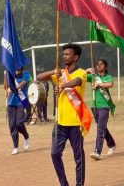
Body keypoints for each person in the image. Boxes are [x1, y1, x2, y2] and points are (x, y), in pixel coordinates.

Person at [37, 43, 88, 186]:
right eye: (64, 54)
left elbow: (77, 82)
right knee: (54, 154)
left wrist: (62, 86)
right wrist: (53, 72)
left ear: (75, 57)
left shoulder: (81, 72)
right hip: (60, 122)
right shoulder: (60, 74)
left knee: (78, 157)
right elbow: (39, 77)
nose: (64, 56)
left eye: (67, 54)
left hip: (75, 122)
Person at [86, 59, 116, 160]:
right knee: (102, 127)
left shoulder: (108, 77)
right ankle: (111, 144)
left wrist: (99, 84)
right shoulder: (93, 77)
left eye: (101, 64)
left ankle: (97, 151)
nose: (98, 66)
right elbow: (81, 76)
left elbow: (110, 84)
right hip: (94, 105)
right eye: (97, 64)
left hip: (104, 105)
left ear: (105, 67)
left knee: (100, 128)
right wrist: (87, 71)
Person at [6, 67, 31, 155]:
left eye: (18, 70)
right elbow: (5, 87)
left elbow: (22, 84)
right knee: (12, 125)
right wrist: (6, 77)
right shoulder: (10, 75)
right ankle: (15, 147)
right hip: (11, 103)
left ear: (22, 70)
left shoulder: (26, 74)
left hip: (22, 101)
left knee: (19, 123)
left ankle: (26, 136)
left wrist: (12, 88)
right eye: (15, 70)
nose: (17, 72)